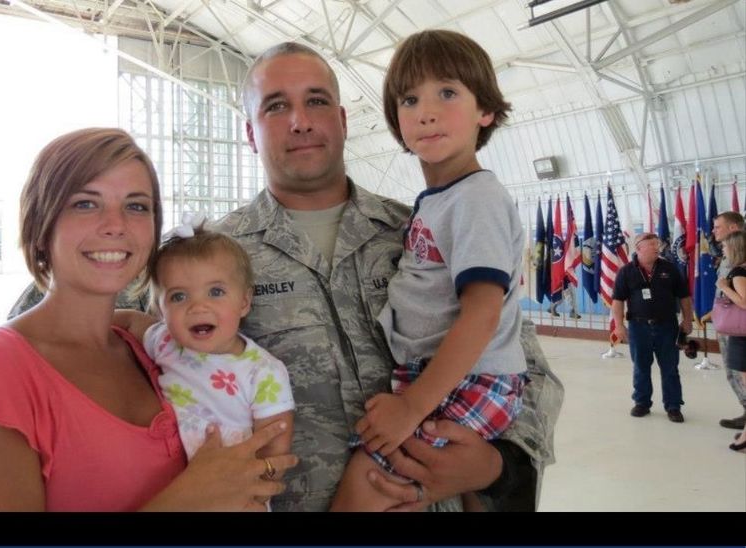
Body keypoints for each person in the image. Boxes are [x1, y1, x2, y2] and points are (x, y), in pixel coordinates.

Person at [215, 41, 563, 512]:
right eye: (276, 106)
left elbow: (528, 369)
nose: (300, 120)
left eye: (316, 101)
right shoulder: (213, 259)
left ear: (342, 119)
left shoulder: (419, 231)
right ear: (250, 133)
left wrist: (496, 466)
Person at [0, 128, 295, 511]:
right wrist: (186, 500)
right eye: (86, 204)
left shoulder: (151, 349)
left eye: (136, 206)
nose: (115, 224)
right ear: (40, 225)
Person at [333, 29, 527, 513]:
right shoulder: (438, 201)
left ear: (485, 111)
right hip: (438, 375)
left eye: (448, 92)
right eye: (409, 98)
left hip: (471, 377)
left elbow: (482, 315)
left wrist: (412, 406)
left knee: (370, 480)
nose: (426, 111)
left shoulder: (476, 197)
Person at [114, 220, 294, 479]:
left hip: (230, 492)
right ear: (159, 311)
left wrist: (255, 489)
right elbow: (130, 320)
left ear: (244, 301)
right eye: (178, 296)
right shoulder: (165, 340)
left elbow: (275, 444)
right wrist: (86, 323)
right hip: (163, 486)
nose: (198, 307)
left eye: (216, 291)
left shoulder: (263, 371)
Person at [611, 232, 693, 423]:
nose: (657, 248)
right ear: (639, 248)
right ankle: (642, 402)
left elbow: (684, 297)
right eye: (652, 245)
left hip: (667, 326)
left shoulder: (670, 269)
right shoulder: (626, 272)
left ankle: (673, 406)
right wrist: (619, 326)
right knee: (641, 366)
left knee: (670, 367)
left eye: (657, 245)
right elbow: (618, 301)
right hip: (638, 327)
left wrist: (688, 320)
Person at [710, 211, 746, 431]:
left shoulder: (740, 260)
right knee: (735, 371)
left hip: (739, 324)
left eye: (718, 227)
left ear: (733, 228)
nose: (714, 231)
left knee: (738, 370)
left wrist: (724, 289)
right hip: (729, 318)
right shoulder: (728, 254)